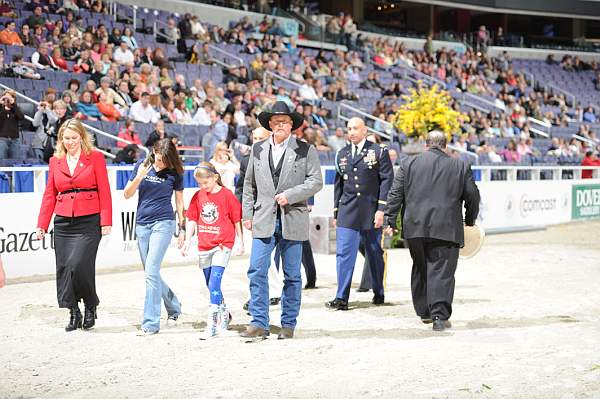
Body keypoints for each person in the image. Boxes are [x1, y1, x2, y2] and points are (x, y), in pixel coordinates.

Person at [241, 101, 323, 340]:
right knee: (256, 270)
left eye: (284, 121)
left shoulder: (305, 150)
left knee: (292, 275)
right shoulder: (257, 150)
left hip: (292, 218)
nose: (279, 124)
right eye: (275, 121)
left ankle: (288, 324)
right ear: (269, 124)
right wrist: (248, 214)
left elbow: (316, 181)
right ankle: (258, 322)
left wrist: (291, 195)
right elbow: (249, 184)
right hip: (263, 219)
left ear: (292, 125)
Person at [383, 131, 480, 331]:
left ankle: (424, 312)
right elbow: (473, 196)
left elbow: (395, 193)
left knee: (420, 266)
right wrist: (469, 220)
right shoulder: (460, 165)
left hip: (415, 226)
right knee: (442, 270)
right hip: (446, 227)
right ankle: (439, 316)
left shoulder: (408, 163)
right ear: (445, 145)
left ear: (426, 145)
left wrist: (389, 220)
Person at [36, 119, 113, 331]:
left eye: (73, 138)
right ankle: (73, 311)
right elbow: (50, 194)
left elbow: (105, 191)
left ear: (81, 137)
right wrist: (41, 225)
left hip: (89, 219)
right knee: (65, 268)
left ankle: (90, 304)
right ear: (61, 139)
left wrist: (106, 221)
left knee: (80, 265)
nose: (70, 142)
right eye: (66, 138)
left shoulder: (95, 157)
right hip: (62, 221)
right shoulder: (55, 161)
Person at [326, 117, 394, 311]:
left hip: (371, 211)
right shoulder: (342, 153)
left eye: (355, 128)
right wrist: (336, 212)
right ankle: (341, 297)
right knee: (344, 254)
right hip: (348, 211)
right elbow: (338, 185)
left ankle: (378, 291)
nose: (352, 132)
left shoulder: (378, 151)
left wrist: (382, 210)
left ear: (365, 130)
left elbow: (386, 181)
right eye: (349, 129)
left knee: (374, 253)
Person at [123, 139, 185, 336]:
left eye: (164, 161)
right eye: (158, 159)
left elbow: (180, 202)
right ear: (153, 152)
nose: (160, 164)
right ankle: (174, 306)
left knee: (151, 272)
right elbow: (127, 194)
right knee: (152, 273)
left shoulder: (176, 172)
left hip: (163, 223)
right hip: (142, 224)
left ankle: (150, 323)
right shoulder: (141, 166)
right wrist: (139, 177)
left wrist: (182, 227)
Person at [181, 162, 243, 339]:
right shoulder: (198, 196)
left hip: (223, 245)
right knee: (210, 285)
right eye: (200, 183)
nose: (203, 186)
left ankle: (212, 324)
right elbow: (192, 219)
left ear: (215, 177)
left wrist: (241, 241)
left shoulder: (227, 195)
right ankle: (225, 313)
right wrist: (187, 241)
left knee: (215, 284)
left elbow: (236, 218)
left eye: (206, 182)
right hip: (204, 245)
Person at [0, 90, 25, 159]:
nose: (7, 99)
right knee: (2, 161)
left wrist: (13, 105)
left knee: (15, 161)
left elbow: (21, 117)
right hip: (2, 139)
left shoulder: (16, 109)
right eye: (6, 97)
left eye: (10, 97)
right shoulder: (0, 109)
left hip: (15, 140)